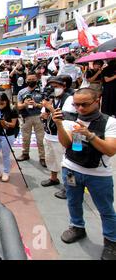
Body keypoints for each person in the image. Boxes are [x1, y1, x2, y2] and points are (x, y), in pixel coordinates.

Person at [52, 88, 116, 260]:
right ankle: (77, 227)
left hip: (99, 174)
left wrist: (90, 135)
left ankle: (111, 240)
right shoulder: (71, 119)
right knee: (73, 201)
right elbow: (67, 144)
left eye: (85, 104)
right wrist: (59, 124)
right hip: (71, 168)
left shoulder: (109, 122)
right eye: (76, 105)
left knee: (106, 209)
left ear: (97, 100)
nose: (80, 108)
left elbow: (110, 150)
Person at [40, 77, 77, 200]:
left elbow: (65, 117)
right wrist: (44, 114)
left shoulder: (69, 98)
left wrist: (49, 108)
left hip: (62, 137)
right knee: (51, 159)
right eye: (51, 86)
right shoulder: (50, 98)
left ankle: (70, 188)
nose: (53, 89)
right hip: (49, 134)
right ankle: (53, 178)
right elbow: (43, 114)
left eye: (56, 86)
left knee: (66, 164)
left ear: (63, 86)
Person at [16, 72, 47, 167]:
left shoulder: (42, 91)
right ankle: (25, 154)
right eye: (29, 80)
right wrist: (25, 104)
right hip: (26, 117)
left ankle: (42, 157)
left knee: (40, 139)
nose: (31, 81)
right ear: (26, 80)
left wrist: (36, 104)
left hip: (39, 117)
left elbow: (46, 104)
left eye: (33, 80)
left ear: (36, 80)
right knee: (25, 137)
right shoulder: (22, 92)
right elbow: (18, 106)